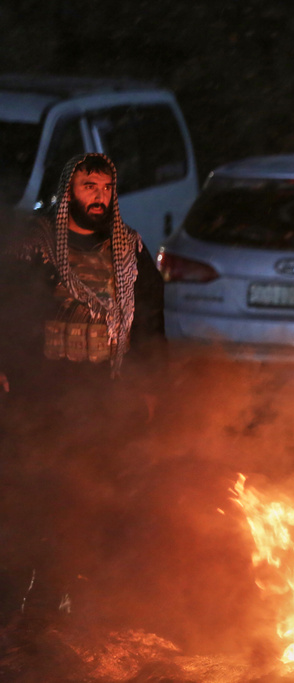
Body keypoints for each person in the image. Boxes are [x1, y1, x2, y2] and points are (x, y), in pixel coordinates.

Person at [0, 153, 165, 629]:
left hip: (103, 392)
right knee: (39, 492)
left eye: (106, 187)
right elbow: (9, 307)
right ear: (68, 188)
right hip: (44, 390)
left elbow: (151, 318)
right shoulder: (37, 246)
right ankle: (29, 601)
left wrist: (149, 381)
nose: (99, 195)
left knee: (95, 494)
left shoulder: (127, 248)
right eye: (89, 185)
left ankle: (83, 597)